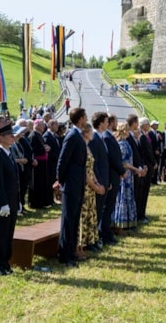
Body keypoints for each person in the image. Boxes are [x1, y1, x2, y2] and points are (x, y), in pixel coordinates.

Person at [57, 107, 88, 267]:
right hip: (71, 184)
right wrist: (61, 181)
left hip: (78, 184)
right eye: (85, 117)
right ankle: (65, 254)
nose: (87, 119)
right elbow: (63, 160)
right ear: (80, 118)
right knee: (68, 221)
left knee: (74, 220)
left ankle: (71, 251)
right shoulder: (72, 135)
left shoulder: (78, 135)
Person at [0, 123, 20, 275]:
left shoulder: (8, 153)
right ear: (0, 138)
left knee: (8, 234)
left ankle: (6, 263)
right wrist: (3, 203)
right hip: (3, 202)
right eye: (9, 135)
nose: (13, 137)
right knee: (1, 234)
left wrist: (17, 201)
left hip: (12, 200)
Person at [77, 123, 106, 259]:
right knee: (82, 217)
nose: (93, 134)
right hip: (84, 186)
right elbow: (84, 171)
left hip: (91, 187)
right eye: (91, 132)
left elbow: (91, 169)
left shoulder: (87, 147)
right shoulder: (82, 147)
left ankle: (86, 244)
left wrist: (98, 183)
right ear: (86, 133)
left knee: (90, 214)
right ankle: (78, 246)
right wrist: (95, 186)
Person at [101, 114, 126, 245]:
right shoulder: (107, 137)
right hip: (111, 174)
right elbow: (112, 158)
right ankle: (104, 233)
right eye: (116, 122)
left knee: (110, 206)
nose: (117, 124)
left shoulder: (110, 136)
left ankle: (107, 232)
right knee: (107, 206)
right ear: (110, 123)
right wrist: (122, 170)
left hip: (114, 174)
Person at [113, 122, 139, 234]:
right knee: (122, 198)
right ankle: (120, 225)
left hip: (128, 176)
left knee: (128, 197)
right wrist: (135, 169)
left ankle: (128, 223)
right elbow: (123, 163)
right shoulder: (122, 144)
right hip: (124, 176)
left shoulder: (125, 143)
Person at [88, 112, 110, 248]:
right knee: (95, 212)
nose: (108, 124)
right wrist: (99, 183)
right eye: (106, 121)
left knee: (100, 211)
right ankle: (93, 239)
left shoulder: (101, 137)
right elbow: (94, 165)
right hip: (98, 182)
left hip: (104, 181)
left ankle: (96, 237)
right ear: (101, 123)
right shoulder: (95, 139)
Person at [29, 119, 53, 209]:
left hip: (43, 163)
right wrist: (44, 149)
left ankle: (42, 202)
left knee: (42, 183)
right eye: (42, 125)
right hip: (37, 164)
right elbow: (33, 150)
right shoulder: (33, 135)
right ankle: (36, 203)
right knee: (37, 183)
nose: (44, 126)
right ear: (37, 125)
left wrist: (46, 148)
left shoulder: (39, 135)